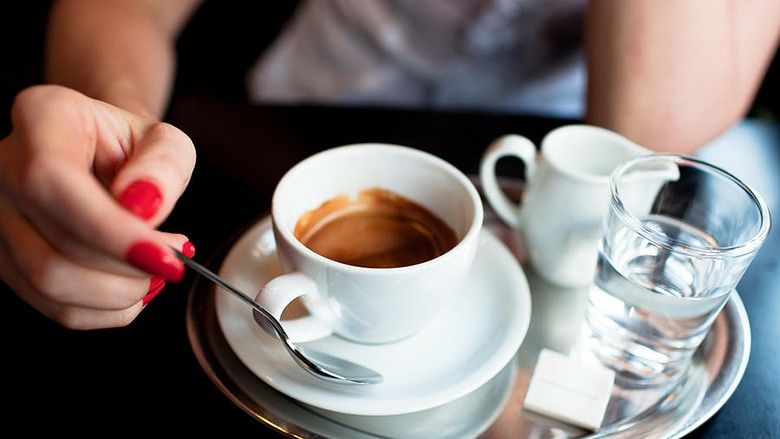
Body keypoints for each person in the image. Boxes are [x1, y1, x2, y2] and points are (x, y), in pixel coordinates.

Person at [1, 0, 778, 329]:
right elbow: (120, 9)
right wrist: (121, 122)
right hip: (293, 121)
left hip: (555, 157)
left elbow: (644, 134)